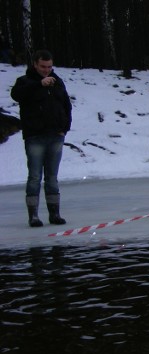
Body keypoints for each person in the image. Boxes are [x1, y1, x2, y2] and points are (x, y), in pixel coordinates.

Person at [11, 49, 72, 227]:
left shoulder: (57, 82)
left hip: (56, 135)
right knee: (35, 176)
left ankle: (55, 214)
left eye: (49, 67)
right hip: (35, 136)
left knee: (52, 177)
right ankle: (34, 216)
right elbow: (17, 95)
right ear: (35, 65)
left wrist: (64, 128)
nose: (46, 70)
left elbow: (66, 106)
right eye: (43, 67)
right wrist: (39, 84)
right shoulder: (25, 81)